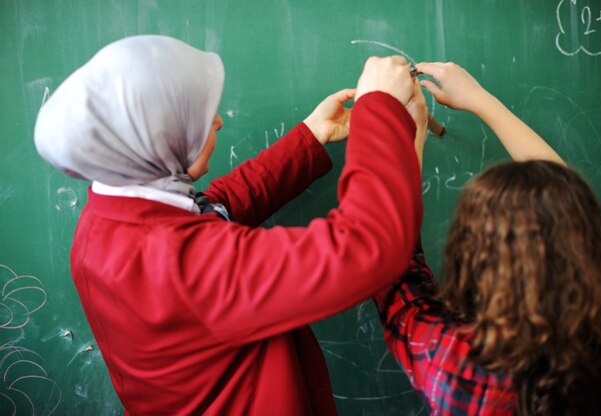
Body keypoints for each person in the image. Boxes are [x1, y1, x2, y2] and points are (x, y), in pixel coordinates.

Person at [34, 35, 429, 415]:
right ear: (157, 139)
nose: (220, 122)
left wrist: (311, 136)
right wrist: (381, 109)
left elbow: (212, 209)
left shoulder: (106, 217)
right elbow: (366, 246)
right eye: (199, 119)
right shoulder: (187, 268)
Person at [374, 62, 601, 415]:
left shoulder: (457, 366)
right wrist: (480, 100)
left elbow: (396, 272)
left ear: (471, 256)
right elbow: (568, 210)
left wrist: (411, 129)